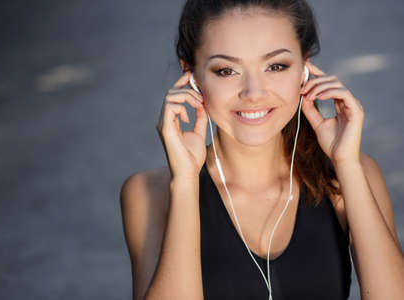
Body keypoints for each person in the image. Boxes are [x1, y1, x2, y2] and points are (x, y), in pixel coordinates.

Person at [120, 0, 403, 299]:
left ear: (305, 70)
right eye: (226, 70)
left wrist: (347, 165)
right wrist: (187, 182)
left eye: (276, 66)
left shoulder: (349, 176)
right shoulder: (149, 194)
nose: (253, 93)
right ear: (191, 76)